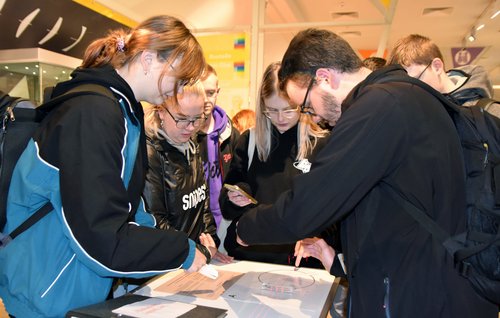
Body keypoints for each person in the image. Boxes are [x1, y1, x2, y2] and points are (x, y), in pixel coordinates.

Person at [235, 28, 498, 317]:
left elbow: (307, 205)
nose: (315, 118)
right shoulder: (407, 94)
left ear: (324, 78)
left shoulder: (376, 108)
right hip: (433, 283)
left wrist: (246, 228)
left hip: (414, 295)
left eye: (308, 106)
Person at [0, 15, 213, 318]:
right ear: (149, 59)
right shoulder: (94, 112)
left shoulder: (124, 110)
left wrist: (175, 249)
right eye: (178, 77)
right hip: (45, 292)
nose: (178, 90)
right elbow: (101, 237)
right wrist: (182, 251)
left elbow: (130, 206)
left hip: (72, 288)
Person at [219, 61, 331, 266]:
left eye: (289, 110)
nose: (280, 118)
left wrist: (319, 240)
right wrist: (235, 197)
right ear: (262, 107)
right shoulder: (249, 141)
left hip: (301, 262)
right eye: (272, 110)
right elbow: (226, 206)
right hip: (250, 257)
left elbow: (330, 208)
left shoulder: (321, 144)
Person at [142, 81, 232, 263]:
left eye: (197, 118)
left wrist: (211, 245)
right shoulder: (149, 153)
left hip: (192, 258)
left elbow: (203, 204)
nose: (191, 127)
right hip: (165, 263)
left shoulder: (191, 145)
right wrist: (195, 251)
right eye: (182, 118)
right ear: (161, 111)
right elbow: (154, 222)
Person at [388, 34, 500, 117]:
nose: (411, 91)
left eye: (415, 82)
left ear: (437, 67)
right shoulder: (418, 116)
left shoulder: (490, 112)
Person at [197, 64, 240, 252]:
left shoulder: (232, 135)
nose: (206, 100)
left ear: (218, 92)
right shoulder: (183, 135)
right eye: (200, 93)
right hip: (198, 230)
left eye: (211, 92)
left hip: (229, 225)